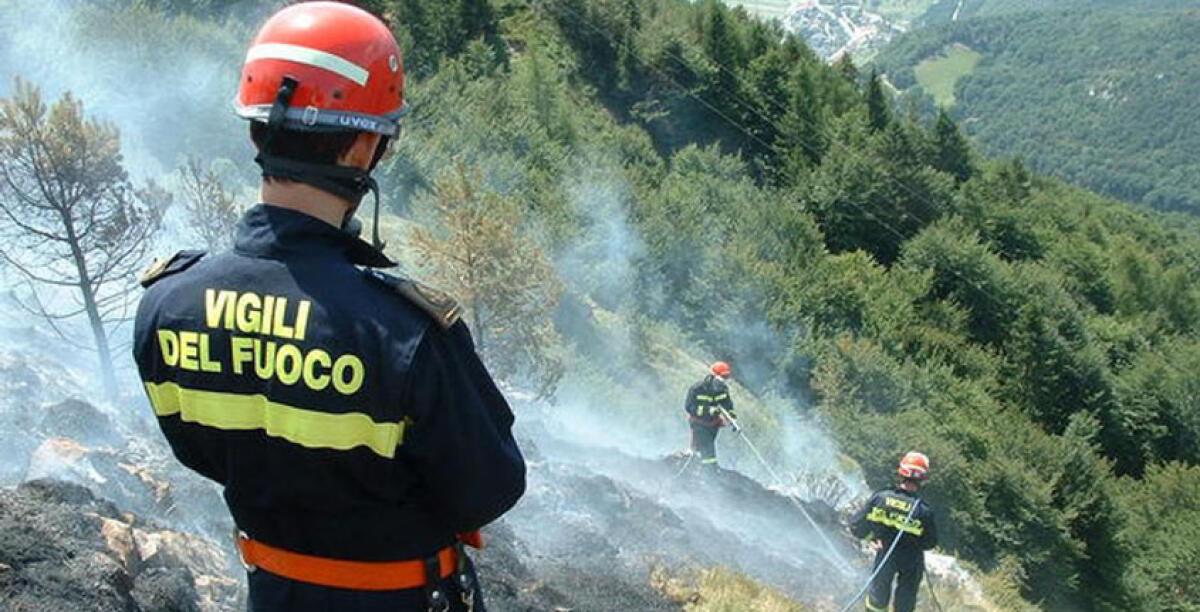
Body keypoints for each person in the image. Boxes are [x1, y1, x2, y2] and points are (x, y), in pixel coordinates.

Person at [132, 3, 525, 610]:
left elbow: (199, 450)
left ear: (254, 129)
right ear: (366, 147)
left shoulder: (167, 302)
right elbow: (489, 488)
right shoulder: (404, 332)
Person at [850, 451, 938, 612]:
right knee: (905, 602)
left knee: (877, 599)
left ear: (901, 473)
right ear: (922, 479)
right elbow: (930, 542)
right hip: (912, 560)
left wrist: (872, 538)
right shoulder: (923, 510)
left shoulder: (881, 498)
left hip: (885, 554)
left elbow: (856, 527)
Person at [684, 361, 737, 468]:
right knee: (708, 449)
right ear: (713, 376)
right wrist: (709, 410)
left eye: (726, 377)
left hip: (713, 425)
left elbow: (727, 405)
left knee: (704, 447)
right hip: (699, 424)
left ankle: (696, 461)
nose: (724, 380)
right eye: (723, 376)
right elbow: (689, 407)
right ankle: (710, 470)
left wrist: (732, 418)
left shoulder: (722, 390)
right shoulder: (697, 389)